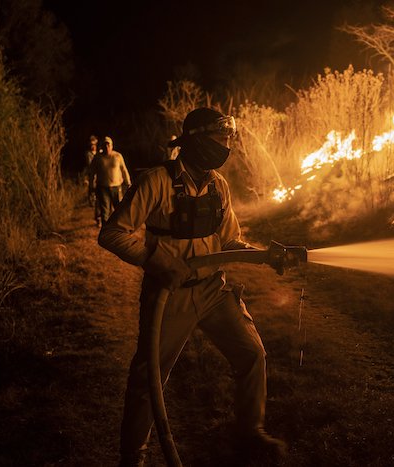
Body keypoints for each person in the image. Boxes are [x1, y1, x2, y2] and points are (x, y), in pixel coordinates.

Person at [98, 108, 287, 466]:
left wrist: (265, 256)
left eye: (229, 139)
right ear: (197, 141)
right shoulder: (157, 181)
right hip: (170, 297)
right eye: (221, 139)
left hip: (213, 290)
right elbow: (112, 233)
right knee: (148, 378)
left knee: (252, 353)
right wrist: (155, 261)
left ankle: (249, 435)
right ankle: (132, 457)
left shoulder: (219, 186)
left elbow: (230, 241)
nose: (226, 147)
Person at [88, 136, 131, 225]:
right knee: (105, 212)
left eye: (108, 145)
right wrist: (91, 186)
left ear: (112, 146)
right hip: (103, 188)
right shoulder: (97, 158)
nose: (107, 147)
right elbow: (92, 173)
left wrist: (128, 182)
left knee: (119, 210)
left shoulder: (117, 156)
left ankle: (119, 230)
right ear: (102, 147)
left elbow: (124, 169)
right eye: (105, 145)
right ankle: (106, 232)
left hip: (116, 187)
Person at [84, 135, 101, 222]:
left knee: (100, 196)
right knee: (94, 193)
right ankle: (97, 216)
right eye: (91, 144)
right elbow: (89, 166)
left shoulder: (100, 152)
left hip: (101, 176)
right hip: (92, 176)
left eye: (94, 144)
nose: (92, 146)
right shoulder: (88, 154)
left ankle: (99, 216)